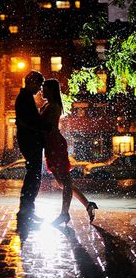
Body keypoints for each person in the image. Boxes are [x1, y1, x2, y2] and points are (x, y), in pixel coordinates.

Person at [40, 78, 98, 226]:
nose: (41, 90)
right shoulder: (48, 105)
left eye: (44, 88)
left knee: (65, 182)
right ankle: (88, 205)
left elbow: (46, 127)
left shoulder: (54, 106)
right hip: (51, 146)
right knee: (62, 183)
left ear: (51, 90)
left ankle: (64, 214)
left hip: (55, 145)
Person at [15, 70, 47, 229]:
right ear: (32, 82)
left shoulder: (25, 98)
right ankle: (25, 212)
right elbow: (24, 121)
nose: (40, 89)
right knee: (33, 177)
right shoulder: (24, 98)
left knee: (33, 176)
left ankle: (27, 211)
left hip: (30, 141)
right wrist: (40, 129)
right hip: (30, 141)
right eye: (39, 85)